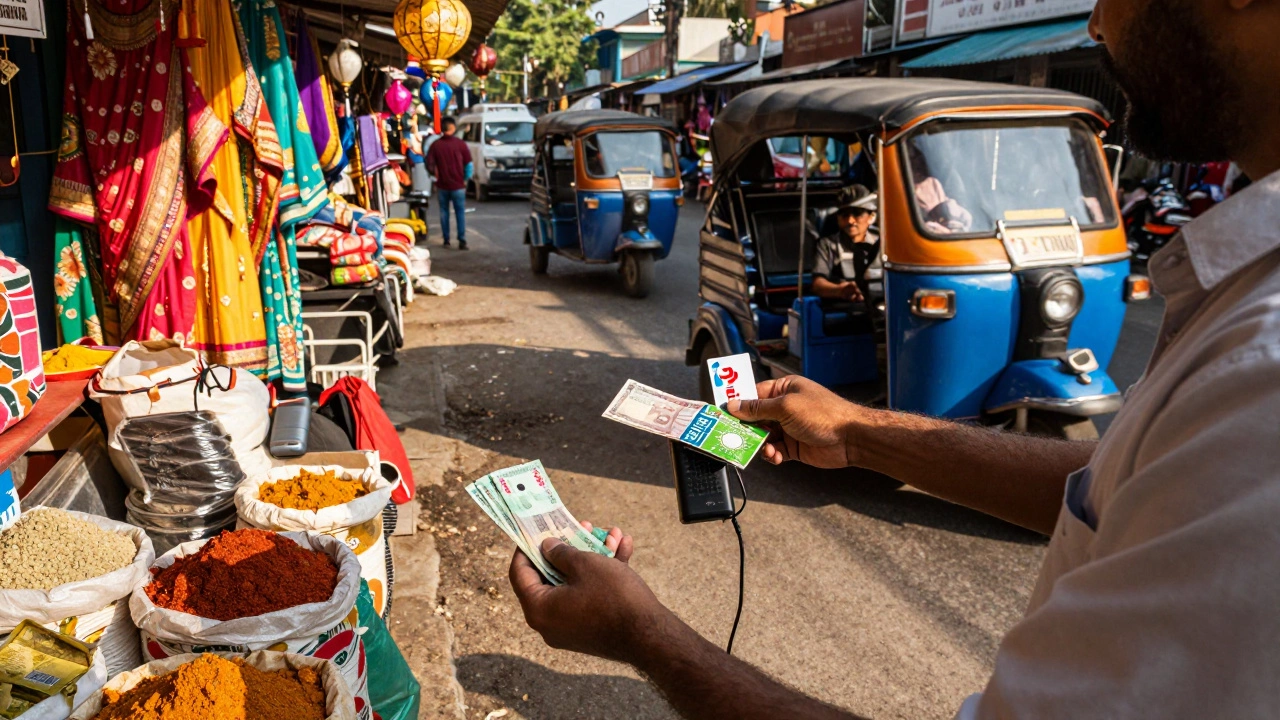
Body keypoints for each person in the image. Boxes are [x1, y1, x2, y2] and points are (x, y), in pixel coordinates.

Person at [509, 0, 1280, 716]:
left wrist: (644, 635)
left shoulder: (1258, 372)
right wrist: (858, 432)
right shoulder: (1242, 312)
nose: (1098, 22)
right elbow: (1117, 488)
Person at [811, 184, 880, 306]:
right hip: (845, 308)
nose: (850, 221)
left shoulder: (883, 242)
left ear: (871, 217)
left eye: (857, 214)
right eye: (844, 215)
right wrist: (840, 290)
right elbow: (817, 285)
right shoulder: (827, 245)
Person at [425, 116, 472, 249]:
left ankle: (446, 240)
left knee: (444, 212)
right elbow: (469, 165)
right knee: (460, 212)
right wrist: (465, 179)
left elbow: (428, 163)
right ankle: (462, 240)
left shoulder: (436, 145)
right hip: (458, 185)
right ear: (453, 128)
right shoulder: (461, 144)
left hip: (442, 185)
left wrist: (434, 176)